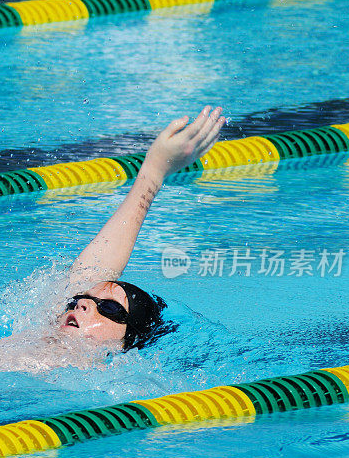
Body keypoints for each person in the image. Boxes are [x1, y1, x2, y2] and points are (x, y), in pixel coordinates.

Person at [57, 105, 225, 351]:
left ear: (127, 341)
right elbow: (93, 269)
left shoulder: (102, 380)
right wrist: (154, 170)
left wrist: (155, 170)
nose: (82, 305)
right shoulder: (40, 336)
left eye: (110, 308)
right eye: (78, 300)